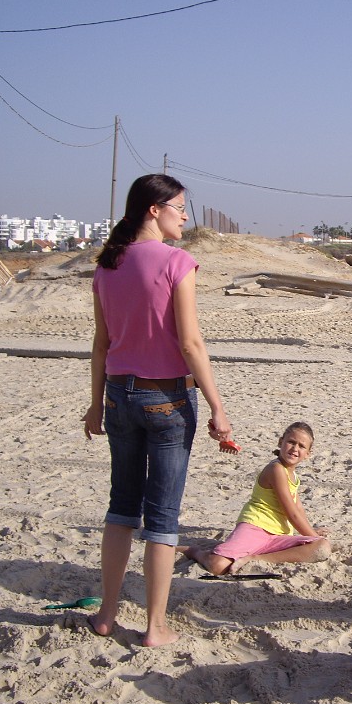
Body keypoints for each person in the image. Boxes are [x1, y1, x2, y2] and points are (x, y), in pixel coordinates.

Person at [81, 173, 232, 648]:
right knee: (162, 517)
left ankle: (107, 614)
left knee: (121, 508)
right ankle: (154, 626)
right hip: (166, 398)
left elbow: (101, 345)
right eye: (180, 207)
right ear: (154, 209)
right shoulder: (176, 262)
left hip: (118, 396)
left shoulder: (107, 265)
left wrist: (93, 404)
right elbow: (190, 343)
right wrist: (217, 407)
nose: (185, 216)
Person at [177, 421, 331, 574]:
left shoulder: (294, 476)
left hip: (279, 535)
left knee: (322, 547)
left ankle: (256, 558)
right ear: (280, 442)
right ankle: (195, 551)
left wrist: (311, 533)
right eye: (291, 442)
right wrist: (312, 535)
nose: (295, 449)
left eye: (301, 446)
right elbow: (292, 513)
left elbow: (298, 507)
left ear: (308, 454)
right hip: (255, 528)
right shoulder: (276, 469)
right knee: (219, 565)